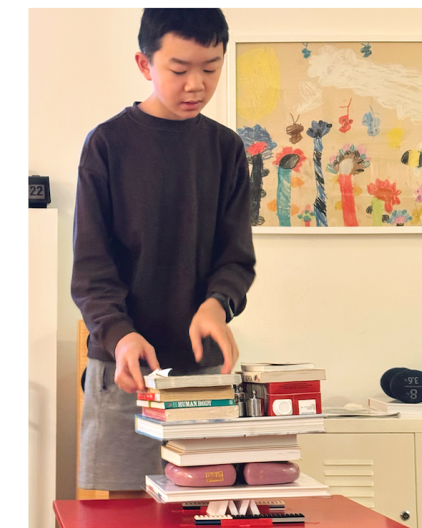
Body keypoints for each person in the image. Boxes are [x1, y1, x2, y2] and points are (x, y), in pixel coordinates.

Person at [71, 8, 256, 492]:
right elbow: (91, 269)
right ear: (144, 64)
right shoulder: (107, 144)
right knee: (125, 526)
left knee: (207, 515)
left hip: (203, 372)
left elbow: (236, 258)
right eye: (179, 70)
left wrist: (218, 303)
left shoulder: (226, 150)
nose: (196, 84)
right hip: (124, 366)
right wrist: (120, 334)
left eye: (211, 68)